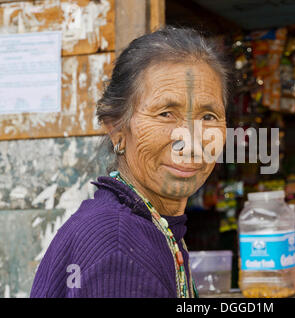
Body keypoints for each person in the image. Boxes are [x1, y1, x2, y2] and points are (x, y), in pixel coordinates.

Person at [30, 26, 229, 298]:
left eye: (208, 117)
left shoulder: (153, 226)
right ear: (117, 130)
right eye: (166, 113)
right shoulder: (119, 246)